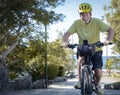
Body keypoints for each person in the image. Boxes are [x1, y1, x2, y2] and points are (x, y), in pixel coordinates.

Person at [62, 3, 114, 94]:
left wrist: (108, 40)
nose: (84, 16)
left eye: (86, 14)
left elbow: (110, 30)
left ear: (90, 14)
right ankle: (80, 81)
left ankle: (97, 85)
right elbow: (66, 34)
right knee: (80, 60)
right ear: (80, 15)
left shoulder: (97, 22)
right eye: (82, 14)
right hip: (83, 49)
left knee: (98, 72)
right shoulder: (76, 23)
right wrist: (65, 41)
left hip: (96, 49)